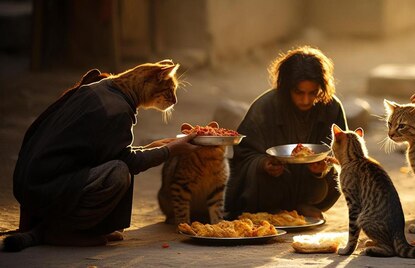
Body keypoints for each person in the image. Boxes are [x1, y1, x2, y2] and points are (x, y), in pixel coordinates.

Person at [5, 62, 199, 252]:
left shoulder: (102, 88)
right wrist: (171, 150)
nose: (173, 100)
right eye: (168, 91)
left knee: (118, 164)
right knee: (119, 172)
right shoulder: (117, 109)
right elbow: (127, 162)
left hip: (36, 185)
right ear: (149, 82)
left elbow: (109, 150)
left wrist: (152, 148)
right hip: (48, 189)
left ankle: (56, 228)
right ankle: (63, 232)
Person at [224, 46, 347, 220]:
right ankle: (275, 209)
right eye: (299, 93)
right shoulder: (265, 106)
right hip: (271, 187)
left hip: (313, 188)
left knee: (337, 174)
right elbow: (243, 153)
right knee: (257, 175)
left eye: (312, 93)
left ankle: (304, 205)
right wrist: (263, 164)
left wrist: (323, 167)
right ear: (287, 87)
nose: (306, 100)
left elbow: (343, 153)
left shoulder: (331, 107)